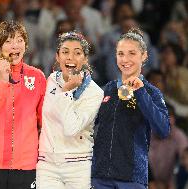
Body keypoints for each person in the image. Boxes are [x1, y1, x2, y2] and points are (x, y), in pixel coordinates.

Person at [91, 28, 170, 189]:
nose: (125, 59)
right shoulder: (105, 90)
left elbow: (163, 130)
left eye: (132, 53)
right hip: (100, 177)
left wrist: (141, 93)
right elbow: (86, 125)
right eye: (121, 54)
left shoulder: (151, 92)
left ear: (144, 56)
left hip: (132, 178)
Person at [0, 20, 46, 189]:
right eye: (8, 41)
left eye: (19, 40)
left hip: (25, 165)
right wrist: (3, 82)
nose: (15, 46)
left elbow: (43, 122)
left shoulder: (37, 77)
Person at [36, 31, 104, 189]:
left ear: (85, 59)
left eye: (77, 53)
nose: (70, 58)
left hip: (78, 167)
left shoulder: (94, 93)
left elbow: (70, 128)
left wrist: (67, 91)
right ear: (57, 56)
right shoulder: (51, 81)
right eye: (65, 52)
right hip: (47, 166)